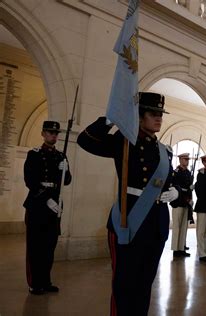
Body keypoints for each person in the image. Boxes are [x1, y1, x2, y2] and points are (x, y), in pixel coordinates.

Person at [77, 92, 180, 316]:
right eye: (153, 114)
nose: (159, 119)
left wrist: (175, 192)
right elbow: (85, 141)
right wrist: (111, 118)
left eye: (160, 114)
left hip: (156, 224)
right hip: (129, 221)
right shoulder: (123, 143)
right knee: (124, 284)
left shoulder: (165, 151)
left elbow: (169, 183)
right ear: (139, 116)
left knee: (144, 284)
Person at [23, 121, 72, 295]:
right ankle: (35, 283)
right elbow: (30, 181)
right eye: (50, 132)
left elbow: (67, 181)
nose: (54, 135)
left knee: (49, 247)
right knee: (35, 247)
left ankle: (46, 280)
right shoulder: (34, 155)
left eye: (56, 133)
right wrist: (47, 200)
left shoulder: (61, 156)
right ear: (43, 133)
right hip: (37, 205)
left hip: (55, 208)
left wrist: (64, 170)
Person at [170, 153, 193, 257]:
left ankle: (181, 248)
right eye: (185, 159)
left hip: (186, 203)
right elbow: (176, 187)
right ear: (180, 160)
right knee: (177, 227)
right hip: (178, 202)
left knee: (184, 226)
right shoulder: (176, 172)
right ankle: (176, 249)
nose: (187, 161)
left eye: (187, 159)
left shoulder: (188, 173)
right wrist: (187, 197)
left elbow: (188, 188)